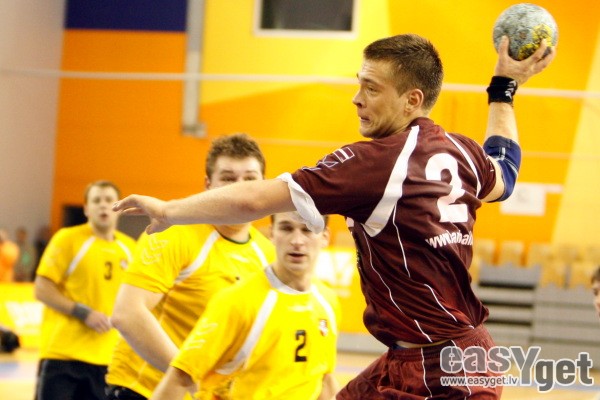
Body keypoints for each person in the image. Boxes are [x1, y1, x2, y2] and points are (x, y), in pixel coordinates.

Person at [113, 33, 555, 399]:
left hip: (443, 373)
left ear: (411, 100)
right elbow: (506, 170)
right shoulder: (461, 151)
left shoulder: (374, 163)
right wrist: (503, 87)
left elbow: (254, 201)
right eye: (359, 84)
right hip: (436, 356)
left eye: (371, 89)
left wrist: (170, 209)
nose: (356, 99)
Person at [105, 133, 276, 400]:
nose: (239, 189)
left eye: (250, 179)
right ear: (208, 185)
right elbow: (127, 314)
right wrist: (190, 379)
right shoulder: (174, 232)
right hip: (144, 390)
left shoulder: (268, 254)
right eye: (228, 179)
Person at [150, 212, 340, 400]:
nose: (297, 241)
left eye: (307, 230)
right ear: (272, 234)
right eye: (286, 228)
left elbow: (323, 378)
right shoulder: (237, 301)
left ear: (324, 237)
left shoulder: (327, 301)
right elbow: (180, 378)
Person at [34, 180, 136, 400]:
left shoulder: (131, 248)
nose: (103, 205)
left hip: (108, 360)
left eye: (109, 200)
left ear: (120, 208)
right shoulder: (67, 239)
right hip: (63, 356)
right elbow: (42, 289)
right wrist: (83, 312)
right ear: (86, 209)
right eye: (96, 200)